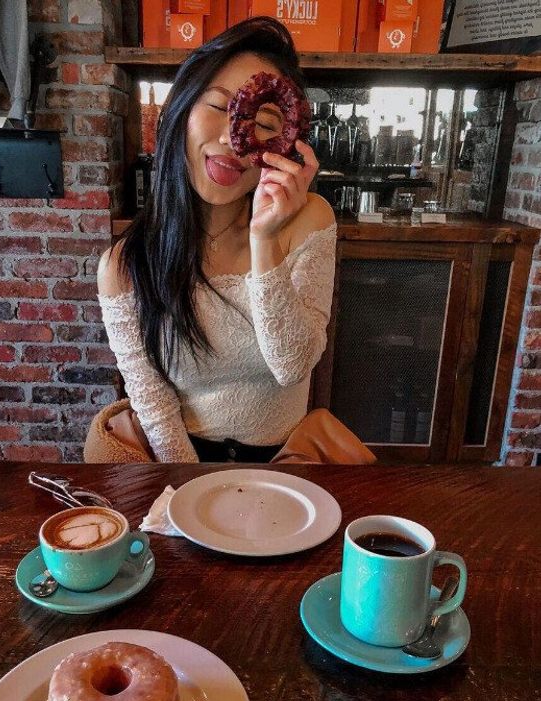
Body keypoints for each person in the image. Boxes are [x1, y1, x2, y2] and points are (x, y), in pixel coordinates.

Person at [88, 17, 374, 465]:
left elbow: (293, 364)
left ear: (287, 140)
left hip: (287, 461)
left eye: (263, 122)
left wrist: (266, 238)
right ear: (181, 111)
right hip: (179, 460)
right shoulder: (125, 264)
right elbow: (154, 407)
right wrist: (195, 496)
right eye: (218, 106)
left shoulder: (309, 220)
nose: (232, 139)